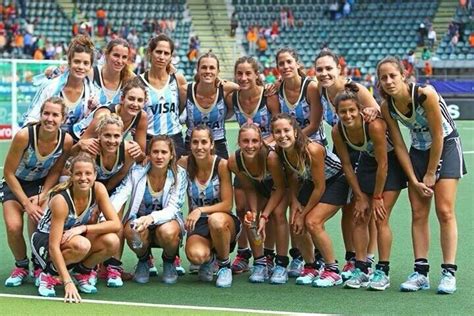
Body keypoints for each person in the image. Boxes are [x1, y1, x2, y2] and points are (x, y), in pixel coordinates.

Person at [377, 56, 466, 294]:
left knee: (445, 210)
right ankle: (421, 272)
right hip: (418, 150)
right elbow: (398, 146)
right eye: (383, 78)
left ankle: (448, 272)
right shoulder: (387, 107)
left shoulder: (425, 94)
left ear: (403, 75)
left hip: (446, 146)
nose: (388, 81)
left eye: (392, 75)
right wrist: (414, 180)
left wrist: (429, 173)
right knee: (418, 212)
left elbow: (438, 135)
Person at [331, 84, 407, 291]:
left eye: (351, 110)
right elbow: (346, 165)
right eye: (343, 111)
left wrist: (376, 197)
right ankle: (361, 267)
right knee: (359, 216)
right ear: (336, 113)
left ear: (359, 109)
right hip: (366, 163)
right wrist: (359, 196)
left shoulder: (373, 126)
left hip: (388, 165)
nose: (347, 115)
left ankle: (383, 270)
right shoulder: (337, 131)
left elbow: (383, 164)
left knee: (380, 216)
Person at [314, 48, 380, 281]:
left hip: (367, 153)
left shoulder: (355, 90)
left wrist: (372, 111)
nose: (324, 73)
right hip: (343, 152)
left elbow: (378, 115)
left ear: (338, 69)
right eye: (320, 69)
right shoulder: (319, 91)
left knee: (367, 209)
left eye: (328, 68)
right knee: (348, 207)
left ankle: (368, 257)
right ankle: (352, 257)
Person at [271, 113, 349, 287]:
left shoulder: (312, 149)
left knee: (312, 222)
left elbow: (320, 187)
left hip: (336, 180)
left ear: (296, 132)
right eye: (277, 132)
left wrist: (303, 214)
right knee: (296, 223)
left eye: (286, 130)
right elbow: (292, 178)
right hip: (310, 181)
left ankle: (332, 270)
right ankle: (311, 266)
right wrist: (295, 202)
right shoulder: (281, 150)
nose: (282, 135)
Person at [2, 97, 73, 287]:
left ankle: (39, 266)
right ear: (41, 115)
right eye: (46, 113)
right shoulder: (25, 136)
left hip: (42, 185)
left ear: (63, 119)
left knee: (38, 224)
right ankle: (21, 266)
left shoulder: (66, 141)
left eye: (55, 115)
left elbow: (57, 170)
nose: (50, 118)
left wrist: (44, 194)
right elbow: (8, 172)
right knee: (13, 227)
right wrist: (26, 203)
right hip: (15, 183)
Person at [31, 153, 121, 300]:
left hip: (72, 235)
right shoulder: (61, 200)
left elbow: (115, 224)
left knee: (112, 241)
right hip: (45, 239)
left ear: (95, 175)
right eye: (78, 173)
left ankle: (81, 272)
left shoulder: (98, 189)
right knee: (82, 244)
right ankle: (48, 275)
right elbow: (54, 246)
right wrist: (67, 282)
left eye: (88, 173)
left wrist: (83, 228)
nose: (83, 178)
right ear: (71, 176)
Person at [225, 56, 279, 274]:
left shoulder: (269, 97)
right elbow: (220, 89)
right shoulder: (233, 98)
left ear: (258, 74)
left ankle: (268, 255)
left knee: (268, 211)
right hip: (244, 160)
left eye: (249, 73)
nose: (244, 77)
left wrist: (262, 146)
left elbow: (278, 129)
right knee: (242, 209)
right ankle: (243, 252)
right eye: (240, 73)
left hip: (267, 161)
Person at [275, 47, 325, 277]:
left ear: (297, 63)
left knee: (312, 210)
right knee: (294, 207)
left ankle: (321, 258)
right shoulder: (277, 90)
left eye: (288, 62)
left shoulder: (311, 87)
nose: (285, 67)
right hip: (290, 152)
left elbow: (314, 124)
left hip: (312, 149)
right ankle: (300, 256)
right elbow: (275, 123)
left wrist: (293, 142)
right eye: (281, 63)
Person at [111, 136, 187, 284]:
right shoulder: (136, 172)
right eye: (155, 152)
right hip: (140, 225)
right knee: (132, 230)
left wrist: (151, 218)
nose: (159, 156)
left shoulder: (180, 174)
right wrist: (105, 215)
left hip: (166, 224)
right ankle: (144, 260)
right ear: (149, 154)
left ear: (171, 155)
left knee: (168, 231)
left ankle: (169, 261)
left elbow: (173, 208)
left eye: (164, 152)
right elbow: (121, 195)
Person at [178, 125, 241, 288]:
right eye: (195, 142)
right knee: (196, 256)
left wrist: (200, 210)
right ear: (190, 144)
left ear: (212, 144)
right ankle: (210, 257)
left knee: (215, 221)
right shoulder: (184, 163)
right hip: (198, 224)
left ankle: (224, 265)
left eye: (204, 142)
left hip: (223, 220)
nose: (199, 147)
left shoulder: (221, 165)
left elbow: (227, 205)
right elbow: (160, 157)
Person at [228, 123, 287, 284]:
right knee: (249, 217)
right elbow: (249, 187)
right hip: (258, 188)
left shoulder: (271, 158)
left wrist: (265, 215)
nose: (250, 145)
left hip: (281, 187)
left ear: (261, 142)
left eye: (254, 141)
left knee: (278, 214)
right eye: (245, 141)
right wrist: (254, 212)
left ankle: (281, 263)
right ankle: (260, 262)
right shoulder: (235, 161)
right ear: (238, 142)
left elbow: (280, 188)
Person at [23, 35, 98, 132]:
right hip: (47, 140)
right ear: (69, 62)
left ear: (90, 66)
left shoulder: (93, 93)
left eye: (86, 63)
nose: (81, 66)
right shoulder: (50, 87)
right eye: (77, 61)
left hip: (77, 144)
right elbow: (30, 119)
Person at [73, 77, 148, 163]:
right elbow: (80, 147)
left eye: (140, 100)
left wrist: (137, 151)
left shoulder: (142, 116)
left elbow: (141, 156)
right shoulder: (104, 116)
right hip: (76, 141)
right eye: (131, 99)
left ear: (144, 103)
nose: (135, 104)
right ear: (122, 99)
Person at [139, 34, 187, 158]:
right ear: (150, 52)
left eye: (166, 53)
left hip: (175, 140)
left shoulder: (178, 79)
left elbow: (180, 107)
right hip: (149, 139)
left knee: (177, 176)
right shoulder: (138, 82)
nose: (162, 57)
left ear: (171, 56)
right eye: (158, 52)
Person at [184, 52, 237, 159]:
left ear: (218, 71)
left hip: (218, 143)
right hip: (192, 143)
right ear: (198, 70)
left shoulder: (225, 90)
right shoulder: (185, 91)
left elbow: (242, 87)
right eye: (204, 67)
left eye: (212, 68)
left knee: (223, 173)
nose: (208, 71)